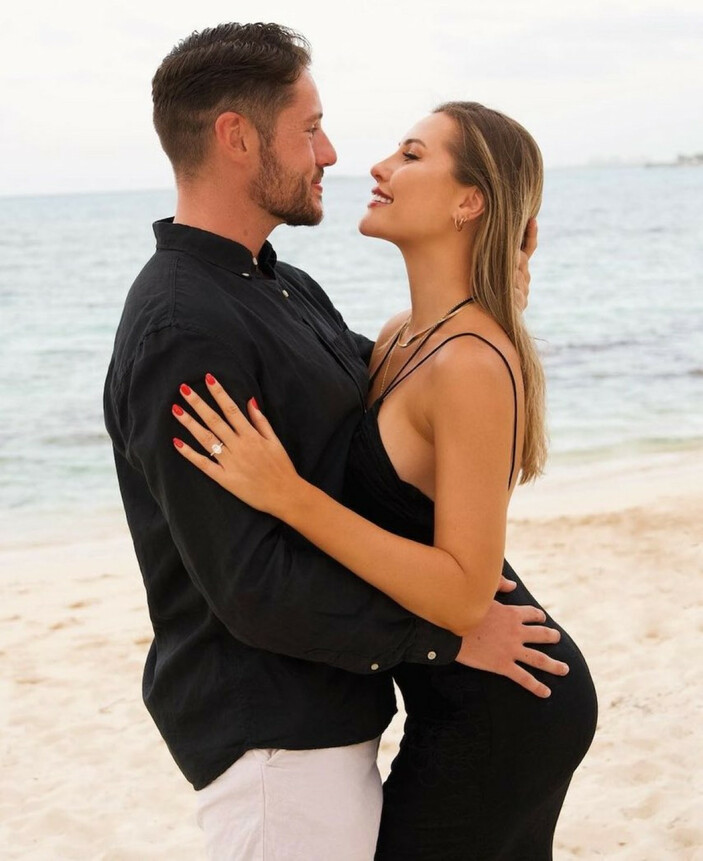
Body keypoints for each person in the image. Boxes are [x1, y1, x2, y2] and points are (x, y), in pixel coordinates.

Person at [104, 22, 570, 860]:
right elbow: (250, 584)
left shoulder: (284, 288)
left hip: (347, 716)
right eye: (310, 128)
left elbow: (413, 397)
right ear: (237, 137)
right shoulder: (186, 327)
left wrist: (490, 298)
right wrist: (445, 637)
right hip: (274, 739)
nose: (332, 154)